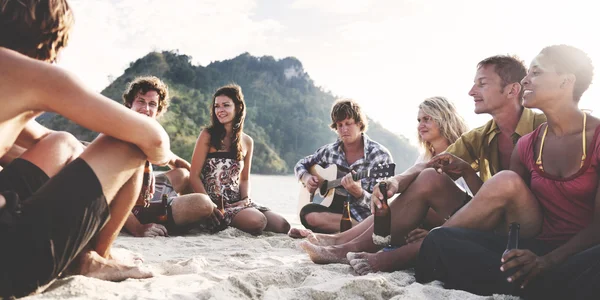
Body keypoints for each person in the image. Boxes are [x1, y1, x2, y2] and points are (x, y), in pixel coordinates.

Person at [298, 55, 547, 275]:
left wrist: (467, 173)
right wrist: (395, 181)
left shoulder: (542, 126)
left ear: (512, 90)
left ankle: (392, 256)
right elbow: (428, 166)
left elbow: (513, 192)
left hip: (528, 224)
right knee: (429, 177)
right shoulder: (482, 135)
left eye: (482, 84)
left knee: (505, 181)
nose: (471, 91)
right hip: (492, 217)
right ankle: (347, 247)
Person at [0, 0, 174, 297]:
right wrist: (163, 159)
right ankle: (95, 256)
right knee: (129, 142)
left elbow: (44, 138)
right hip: (9, 262)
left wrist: (88, 157)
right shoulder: (34, 74)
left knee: (62, 141)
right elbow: (154, 140)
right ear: (54, 39)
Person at [416, 45, 600, 300]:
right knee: (441, 241)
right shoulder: (526, 145)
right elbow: (509, 218)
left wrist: (547, 262)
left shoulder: (597, 138)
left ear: (565, 82)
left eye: (536, 73)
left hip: (582, 254)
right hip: (535, 250)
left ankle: (541, 285)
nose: (525, 80)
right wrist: (515, 253)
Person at [120, 76, 220, 237]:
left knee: (183, 174)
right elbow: (108, 194)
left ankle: (201, 216)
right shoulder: (121, 132)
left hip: (146, 195)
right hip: (127, 208)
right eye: (140, 101)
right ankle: (196, 214)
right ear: (129, 104)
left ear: (158, 110)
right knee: (202, 204)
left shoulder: (150, 135)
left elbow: (177, 162)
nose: (146, 108)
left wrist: (210, 196)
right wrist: (138, 228)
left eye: (152, 104)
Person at [189, 84, 290, 235]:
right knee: (258, 221)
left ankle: (244, 214)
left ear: (238, 108)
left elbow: (244, 179)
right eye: (217, 106)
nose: (220, 110)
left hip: (238, 202)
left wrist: (246, 198)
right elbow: (194, 176)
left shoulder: (247, 141)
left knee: (283, 226)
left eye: (226, 105)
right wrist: (209, 205)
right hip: (215, 203)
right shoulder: (207, 135)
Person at [292, 99, 393, 234]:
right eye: (339, 125)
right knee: (307, 213)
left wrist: (360, 193)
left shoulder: (379, 155)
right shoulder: (329, 151)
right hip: (332, 215)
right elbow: (301, 164)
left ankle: (356, 232)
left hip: (363, 219)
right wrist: (306, 177)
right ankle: (347, 233)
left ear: (359, 124)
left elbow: (381, 206)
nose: (344, 129)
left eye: (348, 124)